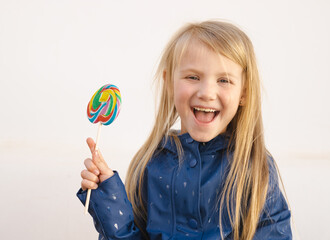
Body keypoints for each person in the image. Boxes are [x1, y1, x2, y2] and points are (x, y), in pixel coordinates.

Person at [77, 20, 292, 240]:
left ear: (244, 93)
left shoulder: (255, 168)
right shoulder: (150, 165)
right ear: (169, 83)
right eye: (193, 77)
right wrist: (108, 196)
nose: (207, 92)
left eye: (224, 80)